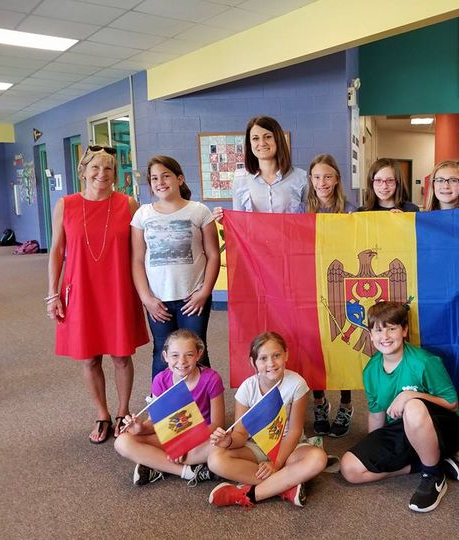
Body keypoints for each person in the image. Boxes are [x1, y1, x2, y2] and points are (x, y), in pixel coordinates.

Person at [47, 145, 148, 444]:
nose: (102, 174)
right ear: (83, 171)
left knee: (121, 356)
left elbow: (140, 252)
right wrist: (52, 294)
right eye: (95, 168)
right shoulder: (65, 204)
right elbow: (56, 250)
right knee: (89, 358)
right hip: (81, 290)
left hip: (118, 288)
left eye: (108, 169)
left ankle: (122, 411)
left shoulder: (127, 204)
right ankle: (102, 414)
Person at [339, 301, 459, 513]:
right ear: (370, 335)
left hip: (446, 429)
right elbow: (376, 413)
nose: (385, 336)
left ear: (405, 330)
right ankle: (426, 464)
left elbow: (452, 403)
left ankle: (433, 475)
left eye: (392, 328)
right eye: (378, 330)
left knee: (413, 407)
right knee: (349, 468)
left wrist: (411, 395)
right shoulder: (371, 370)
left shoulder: (424, 362)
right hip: (405, 430)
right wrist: (376, 448)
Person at [207, 332, 327, 508]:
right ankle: (285, 487)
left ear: (286, 355)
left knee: (318, 458)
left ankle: (250, 493)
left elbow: (294, 431)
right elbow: (240, 433)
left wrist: (275, 463)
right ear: (252, 362)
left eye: (276, 355)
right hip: (255, 447)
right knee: (215, 459)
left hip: (288, 448)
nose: (271, 363)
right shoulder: (246, 389)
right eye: (263, 358)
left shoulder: (297, 384)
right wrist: (229, 440)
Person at [131, 156, 220, 379]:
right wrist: (146, 298)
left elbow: (213, 254)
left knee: (196, 351)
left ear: (179, 179)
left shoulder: (199, 211)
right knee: (162, 353)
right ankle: (163, 406)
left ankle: (205, 403)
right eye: (154, 178)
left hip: (193, 298)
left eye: (166, 176)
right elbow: (137, 260)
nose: (160, 182)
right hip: (158, 301)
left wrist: (205, 292)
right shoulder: (143, 215)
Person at [114, 329, 225, 486]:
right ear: (165, 356)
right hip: (171, 435)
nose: (182, 361)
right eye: (175, 355)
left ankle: (156, 463)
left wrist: (185, 443)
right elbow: (156, 423)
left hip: (202, 437)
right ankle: (187, 472)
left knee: (222, 446)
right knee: (122, 442)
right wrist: (139, 428)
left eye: (189, 354)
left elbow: (217, 424)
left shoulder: (212, 379)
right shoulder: (160, 380)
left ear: (199, 354)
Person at [421, 159, 459, 463]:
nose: (446, 186)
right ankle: (436, 431)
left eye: (453, 180)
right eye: (440, 180)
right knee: (432, 370)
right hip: (432, 308)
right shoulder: (421, 220)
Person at [303, 154, 356, 436]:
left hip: (340, 284)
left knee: (342, 341)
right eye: (317, 177)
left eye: (327, 176)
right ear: (310, 180)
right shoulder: (301, 210)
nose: (322, 182)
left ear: (336, 179)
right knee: (315, 343)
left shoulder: (350, 210)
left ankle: (346, 405)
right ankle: (319, 401)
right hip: (310, 283)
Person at [213, 115, 307, 218]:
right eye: (255, 138)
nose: (262, 143)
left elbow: (307, 221)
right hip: (252, 235)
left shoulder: (301, 177)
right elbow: (239, 221)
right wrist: (225, 221)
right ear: (250, 144)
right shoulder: (240, 177)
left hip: (290, 234)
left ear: (278, 139)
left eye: (268, 137)